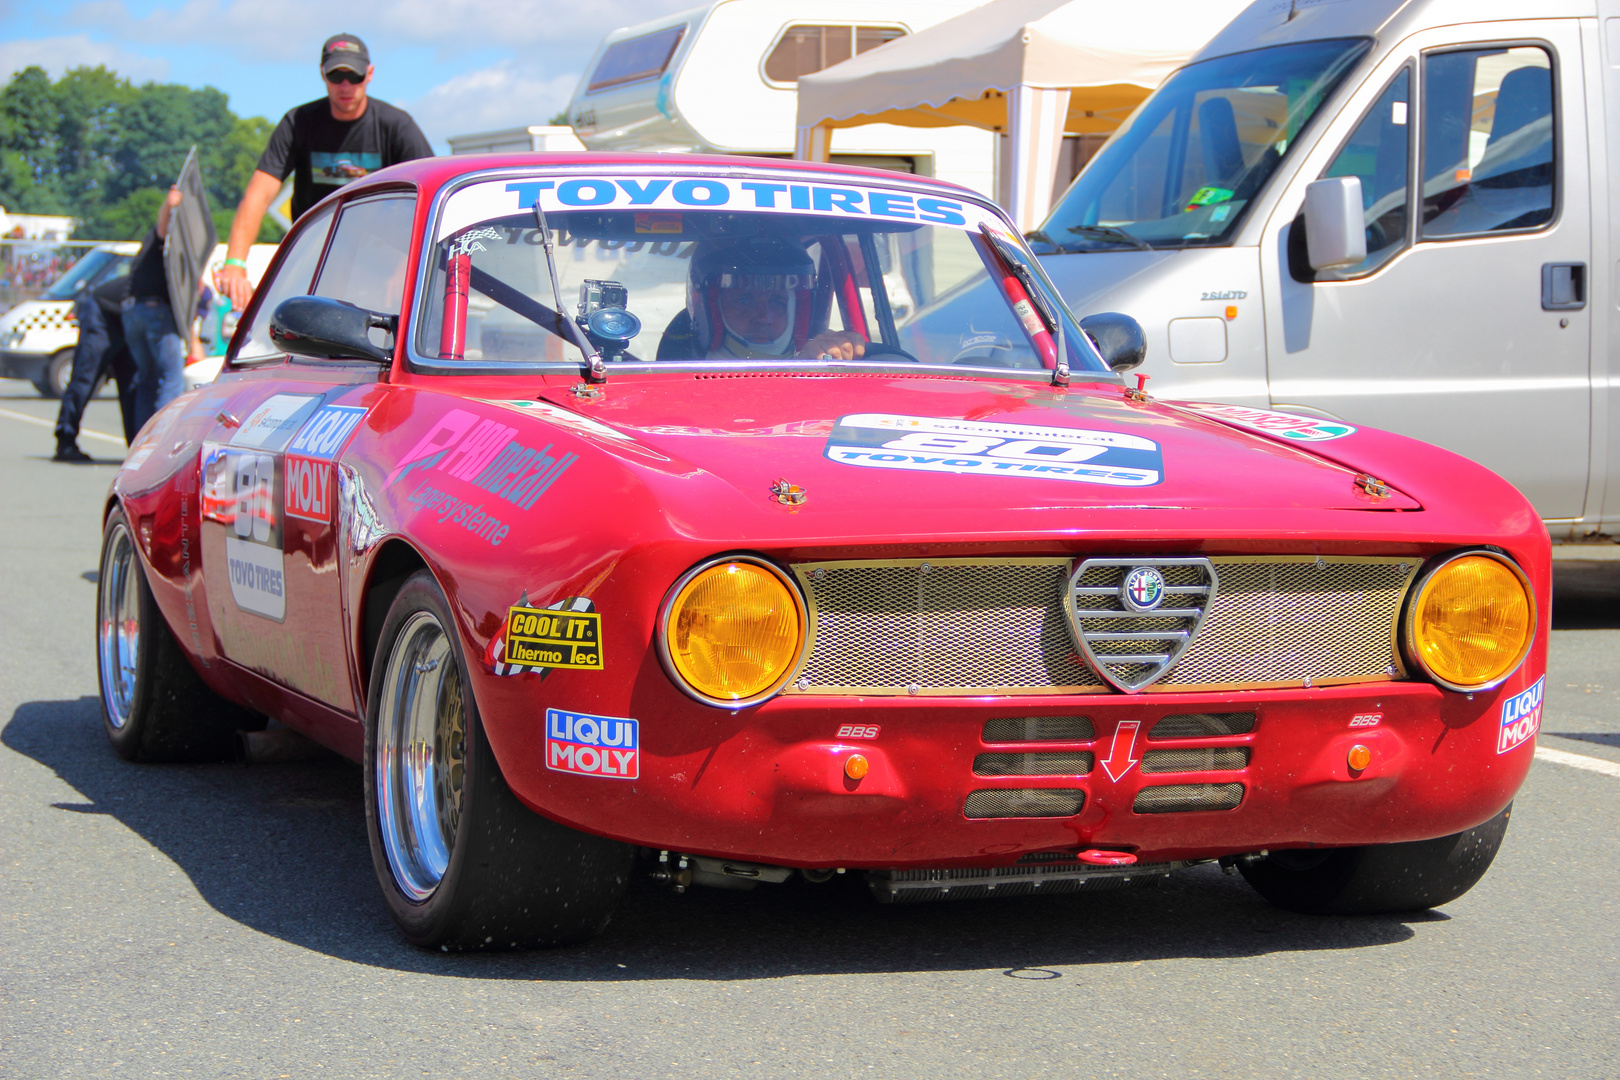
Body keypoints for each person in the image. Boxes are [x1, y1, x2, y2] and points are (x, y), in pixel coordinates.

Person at [216, 34, 432, 310]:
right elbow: (258, 195)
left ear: (369, 74)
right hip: (316, 256)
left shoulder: (396, 126)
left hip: (383, 260)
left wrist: (406, 267)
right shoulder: (299, 123)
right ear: (322, 74)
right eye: (335, 76)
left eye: (353, 77)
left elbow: (428, 202)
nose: (345, 86)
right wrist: (234, 264)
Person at [667, 237, 867, 361]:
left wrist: (828, 359)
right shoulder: (677, 388)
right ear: (710, 309)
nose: (765, 318)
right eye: (744, 302)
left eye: (778, 303)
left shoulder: (816, 362)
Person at [123, 186, 191, 432]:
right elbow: (163, 226)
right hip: (155, 313)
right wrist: (170, 204)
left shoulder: (150, 246)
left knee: (147, 381)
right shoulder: (163, 238)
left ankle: (141, 442)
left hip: (133, 312)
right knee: (172, 380)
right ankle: (160, 440)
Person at [51, 273, 138, 462]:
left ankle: (135, 448)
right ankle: (65, 439)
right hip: (101, 311)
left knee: (132, 385)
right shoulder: (163, 280)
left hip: (125, 320)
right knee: (85, 377)